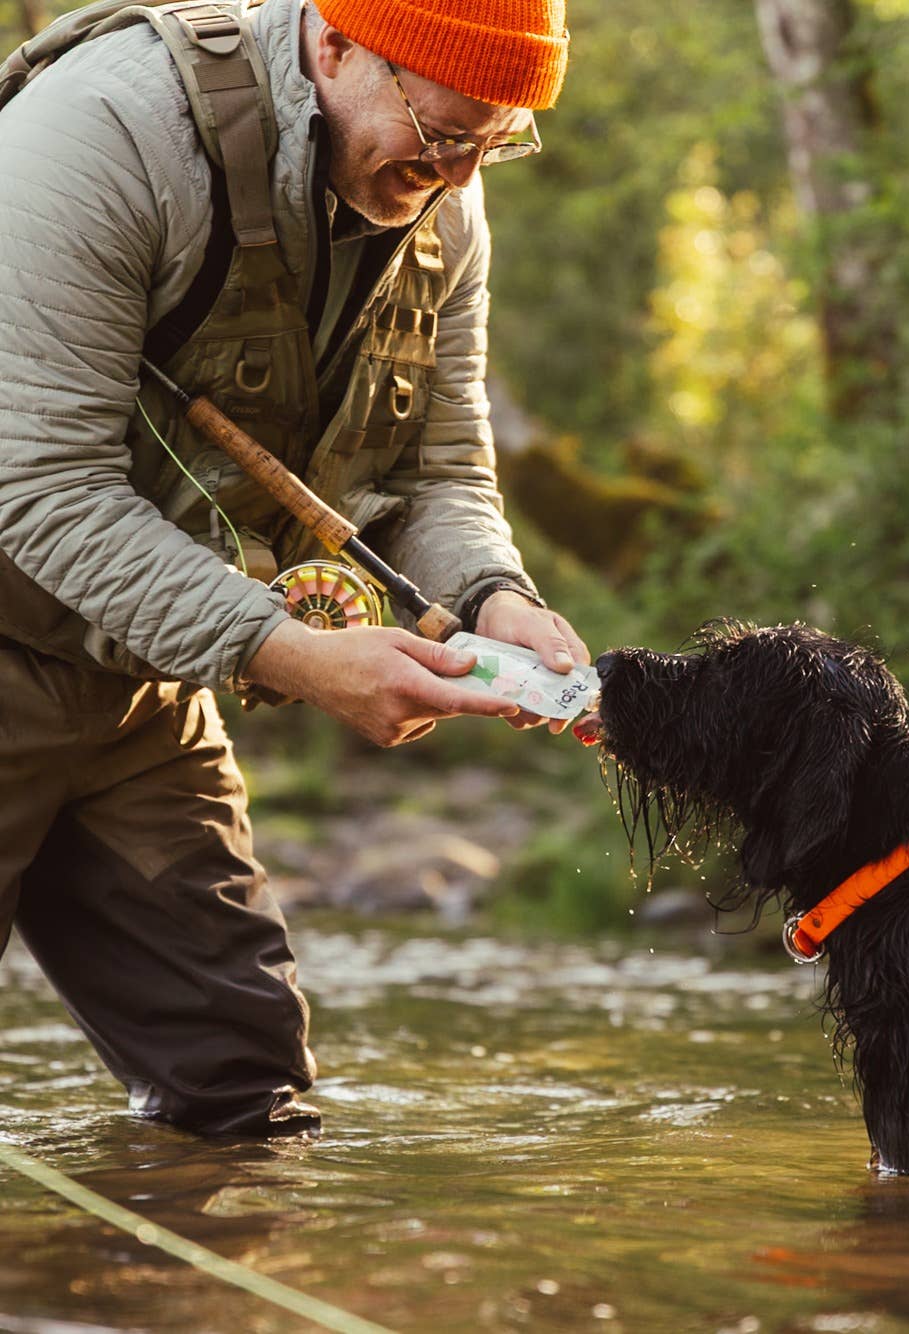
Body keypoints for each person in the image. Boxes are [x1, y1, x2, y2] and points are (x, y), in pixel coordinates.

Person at [0, 0, 586, 1137]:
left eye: (494, 141)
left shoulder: (439, 205)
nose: (461, 177)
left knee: (245, 1093)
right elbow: (39, 489)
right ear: (336, 45)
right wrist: (296, 656)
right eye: (444, 132)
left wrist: (492, 597)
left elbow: (441, 470)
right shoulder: (105, 133)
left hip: (133, 689)